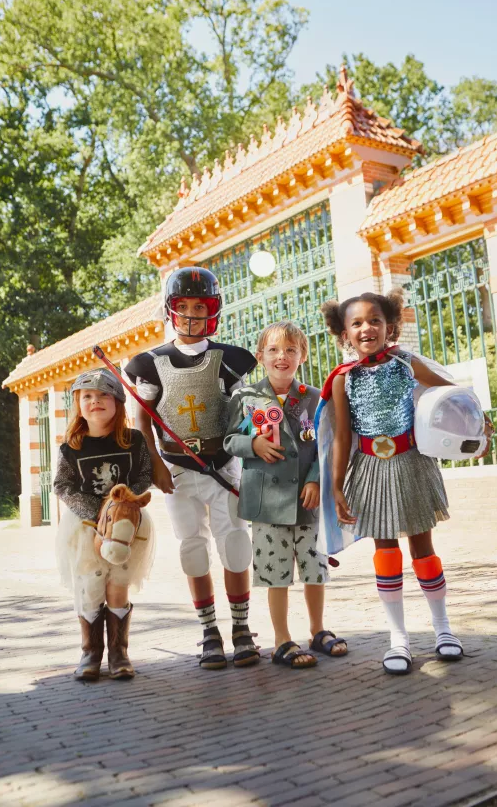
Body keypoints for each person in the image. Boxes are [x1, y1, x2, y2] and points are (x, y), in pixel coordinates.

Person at [321, 290, 490, 675]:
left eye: (375, 320)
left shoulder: (406, 363)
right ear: (344, 334)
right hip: (369, 468)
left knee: (423, 549)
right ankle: (398, 639)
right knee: (385, 552)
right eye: (357, 323)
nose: (367, 328)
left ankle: (443, 629)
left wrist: (477, 425)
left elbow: (449, 393)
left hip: (413, 463)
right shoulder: (341, 380)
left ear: (390, 325)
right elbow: (342, 436)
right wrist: (336, 484)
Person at [125, 266, 260, 670]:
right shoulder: (150, 364)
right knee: (193, 549)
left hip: (224, 465)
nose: (191, 314)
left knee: (235, 544)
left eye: (199, 307)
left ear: (212, 310)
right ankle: (209, 632)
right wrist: (154, 465)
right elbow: (142, 418)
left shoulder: (230, 360)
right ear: (171, 309)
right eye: (183, 306)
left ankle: (240, 628)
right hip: (177, 471)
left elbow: (245, 414)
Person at [224, 321, 348, 668]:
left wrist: (314, 480)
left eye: (291, 350)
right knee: (274, 572)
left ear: (302, 356)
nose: (283, 357)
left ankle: (318, 630)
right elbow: (229, 440)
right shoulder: (245, 397)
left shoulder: (314, 398)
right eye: (275, 350)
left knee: (314, 568)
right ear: (260, 356)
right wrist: (253, 443)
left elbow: (325, 444)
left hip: (307, 503)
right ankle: (282, 639)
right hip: (266, 503)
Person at [54, 369, 154, 680]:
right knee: (91, 584)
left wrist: (124, 504)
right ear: (78, 405)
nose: (95, 401)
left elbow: (143, 475)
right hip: (85, 526)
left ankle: (119, 653)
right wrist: (96, 511)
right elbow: (62, 485)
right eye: (87, 397)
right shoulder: (71, 447)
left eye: (103, 396)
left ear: (118, 402)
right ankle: (91, 652)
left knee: (118, 583)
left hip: (125, 525)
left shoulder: (133, 440)